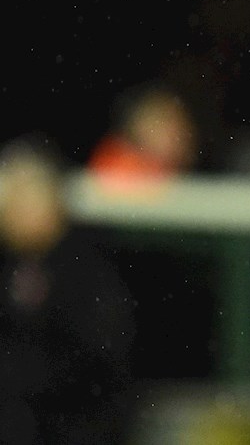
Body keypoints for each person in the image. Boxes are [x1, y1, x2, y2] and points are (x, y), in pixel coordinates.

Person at [0, 134, 139, 444]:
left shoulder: (88, 265)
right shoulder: (8, 263)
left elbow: (98, 359)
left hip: (73, 423)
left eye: (29, 194)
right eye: (13, 196)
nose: (19, 208)